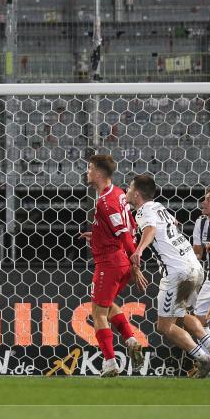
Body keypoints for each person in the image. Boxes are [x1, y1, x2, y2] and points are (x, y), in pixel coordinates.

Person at [127, 174, 210, 377]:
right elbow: (174, 224)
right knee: (183, 316)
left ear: (137, 194)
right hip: (194, 266)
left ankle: (205, 360)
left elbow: (150, 229)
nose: (127, 191)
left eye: (130, 188)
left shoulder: (143, 212)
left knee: (164, 326)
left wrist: (139, 250)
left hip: (177, 273)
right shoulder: (158, 207)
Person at [78, 155, 147, 377]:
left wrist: (135, 262)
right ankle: (131, 339)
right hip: (117, 260)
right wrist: (97, 235)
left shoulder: (105, 202)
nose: (87, 173)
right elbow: (131, 226)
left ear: (98, 174)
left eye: (89, 169)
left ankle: (110, 363)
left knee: (97, 312)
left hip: (110, 262)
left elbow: (125, 234)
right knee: (107, 306)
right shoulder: (118, 194)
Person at [191, 186, 210, 335]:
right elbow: (198, 253)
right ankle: (208, 355)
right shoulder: (201, 222)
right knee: (199, 317)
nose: (203, 203)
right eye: (204, 199)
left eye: (209, 200)